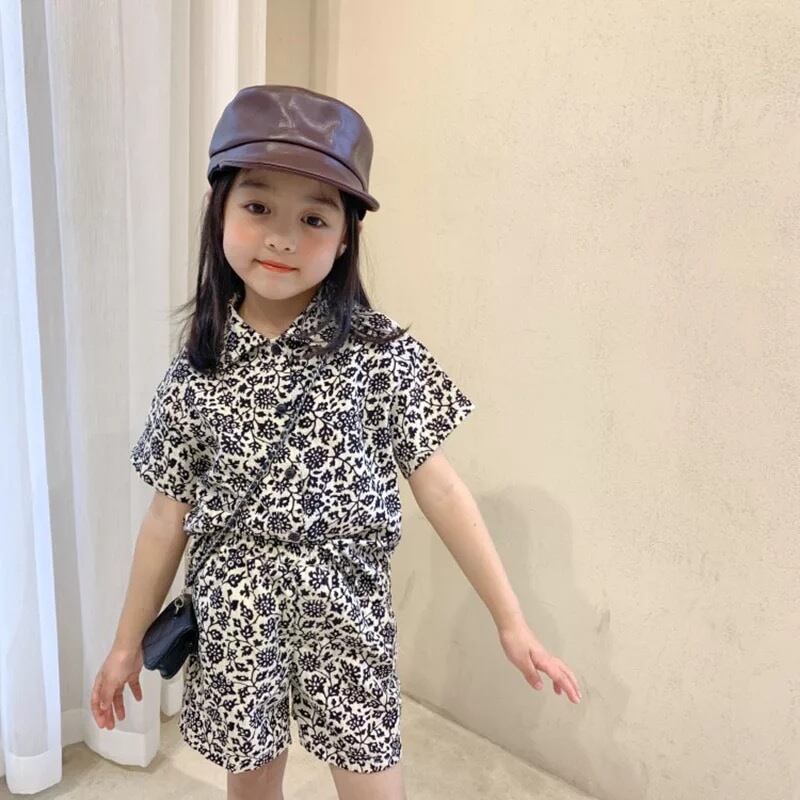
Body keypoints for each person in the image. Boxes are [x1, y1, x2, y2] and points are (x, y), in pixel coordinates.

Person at [90, 84, 582, 800]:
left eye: (314, 218)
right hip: (235, 615)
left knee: (375, 787)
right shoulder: (195, 374)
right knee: (251, 787)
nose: (282, 238)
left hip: (348, 616)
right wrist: (123, 644)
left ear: (346, 235)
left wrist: (512, 623)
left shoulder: (380, 356)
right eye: (258, 207)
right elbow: (167, 516)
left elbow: (441, 487)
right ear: (219, 210)